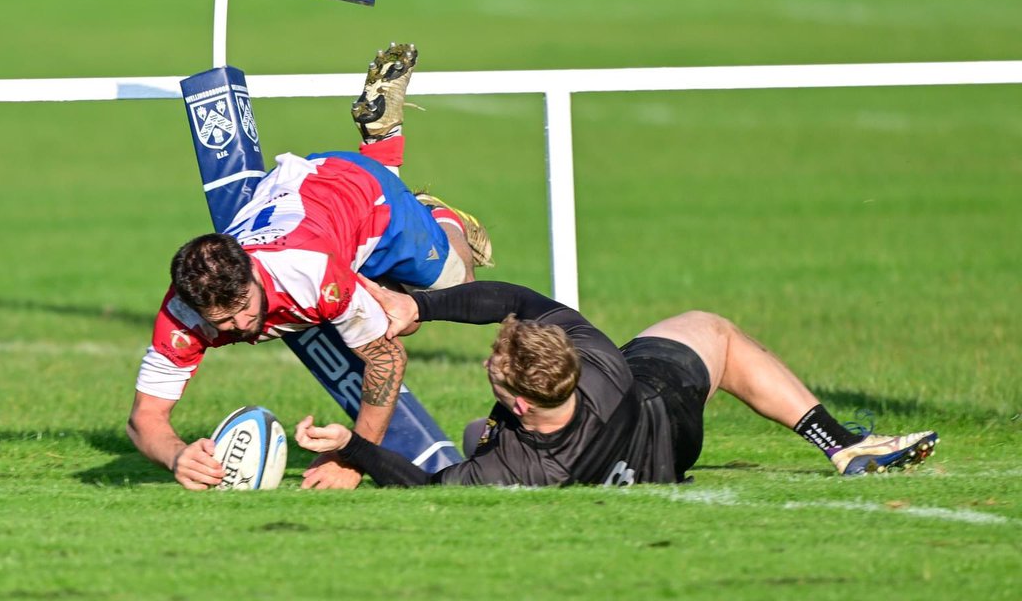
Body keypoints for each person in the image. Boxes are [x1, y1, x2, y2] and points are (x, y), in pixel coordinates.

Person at [128, 43, 494, 491]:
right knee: (386, 314)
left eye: (243, 308)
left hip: (366, 197)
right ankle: (381, 140)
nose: (240, 327)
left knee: (449, 290)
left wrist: (354, 459)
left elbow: (387, 359)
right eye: (221, 321)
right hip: (309, 206)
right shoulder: (183, 313)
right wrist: (176, 455)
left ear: (254, 271)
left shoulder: (309, 276)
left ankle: (435, 212)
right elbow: (144, 418)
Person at [295, 280, 940, 486]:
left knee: (473, 435)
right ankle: (837, 442)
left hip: (663, 460)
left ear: (519, 401)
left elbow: (425, 487)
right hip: (663, 414)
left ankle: (842, 445)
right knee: (712, 332)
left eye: (495, 367)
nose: (489, 362)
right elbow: (518, 299)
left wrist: (354, 448)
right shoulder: (601, 366)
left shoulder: (519, 466)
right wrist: (422, 305)